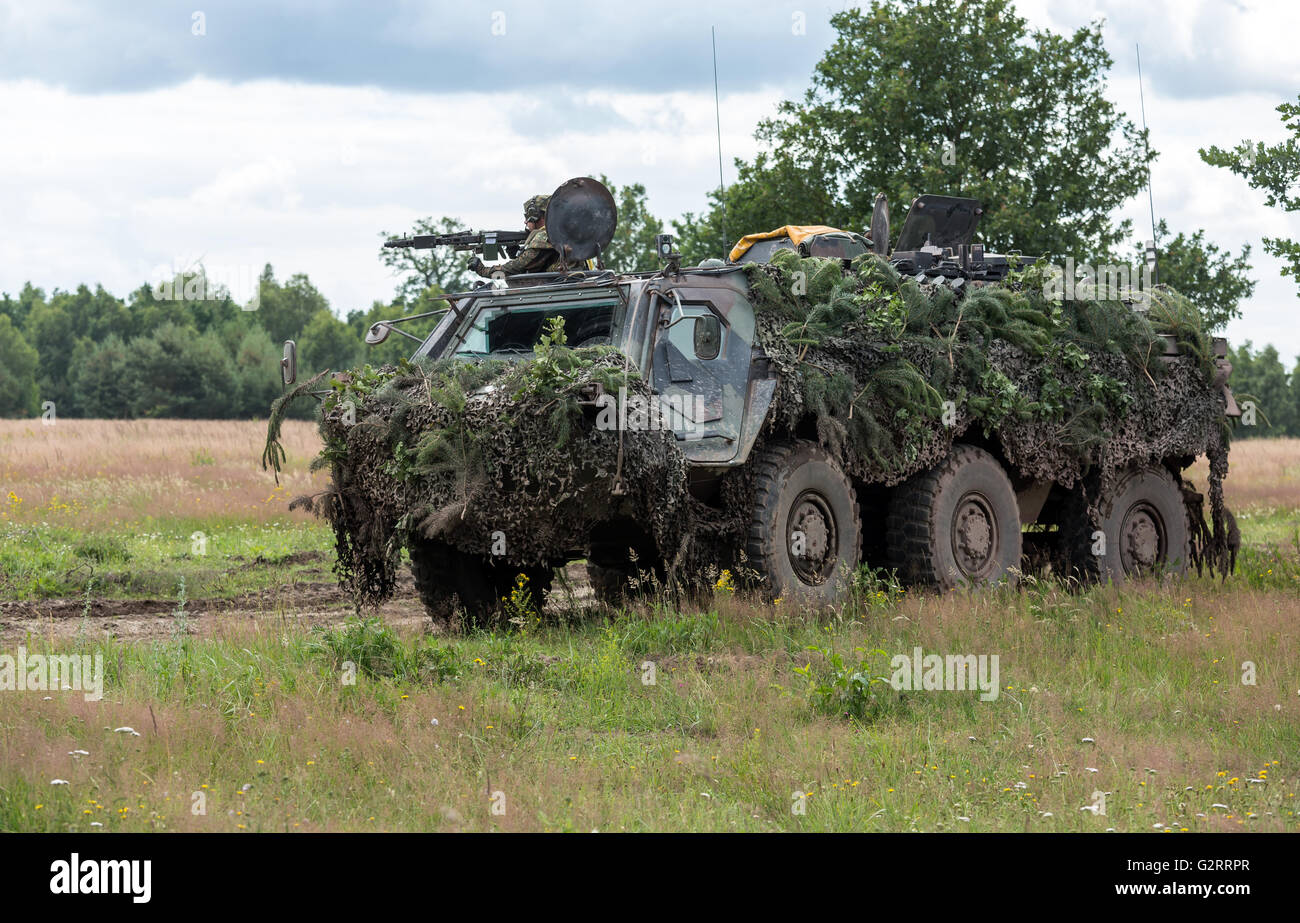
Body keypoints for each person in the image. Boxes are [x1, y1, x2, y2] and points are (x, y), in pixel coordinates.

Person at [468, 194, 565, 278]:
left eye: (527, 216)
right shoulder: (560, 232)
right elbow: (537, 263)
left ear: (535, 215)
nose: (525, 222)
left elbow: (517, 267)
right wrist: (516, 254)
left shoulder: (545, 236)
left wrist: (482, 270)